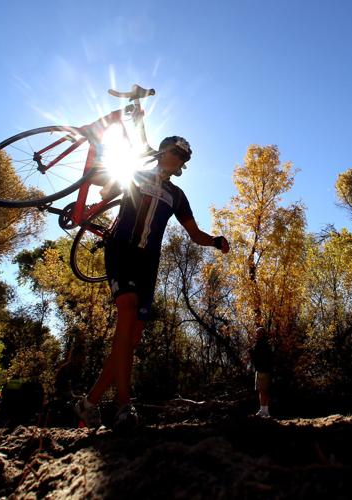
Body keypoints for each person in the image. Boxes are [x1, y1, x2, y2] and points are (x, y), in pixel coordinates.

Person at [75, 136, 230, 431]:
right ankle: (124, 406)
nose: (178, 159)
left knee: (130, 340)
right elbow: (105, 186)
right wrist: (103, 178)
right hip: (121, 249)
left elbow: (194, 234)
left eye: (184, 157)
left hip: (149, 263)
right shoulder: (135, 172)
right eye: (175, 152)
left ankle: (89, 403)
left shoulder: (178, 195)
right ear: (162, 151)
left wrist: (215, 241)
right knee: (127, 307)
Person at [249, 326, 273, 418]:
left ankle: (263, 411)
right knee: (264, 391)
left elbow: (257, 359)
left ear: (261, 334)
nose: (256, 335)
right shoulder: (267, 344)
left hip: (261, 370)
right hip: (266, 370)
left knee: (262, 391)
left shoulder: (260, 344)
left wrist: (251, 353)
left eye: (258, 333)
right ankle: (265, 411)